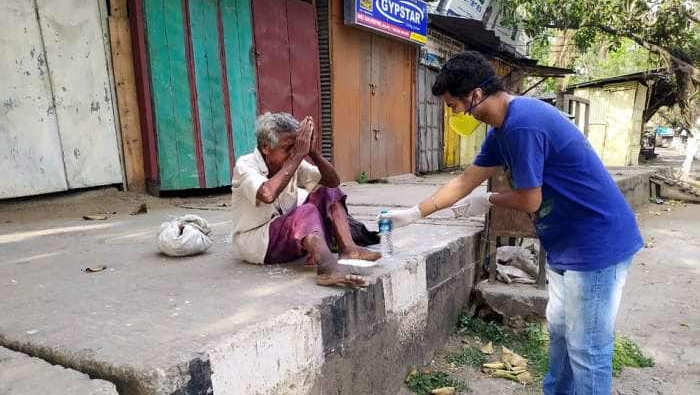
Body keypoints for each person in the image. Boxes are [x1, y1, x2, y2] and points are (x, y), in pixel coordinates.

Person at [383, 51, 643, 394]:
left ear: (475, 95)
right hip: (566, 241)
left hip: (596, 241)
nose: (453, 114)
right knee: (562, 334)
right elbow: (464, 182)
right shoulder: (500, 131)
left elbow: (529, 200)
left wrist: (487, 200)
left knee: (587, 347)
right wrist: (416, 213)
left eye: (453, 106)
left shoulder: (522, 124)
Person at [231, 112, 380, 288]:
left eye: (296, 148)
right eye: (287, 148)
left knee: (327, 190)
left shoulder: (293, 160)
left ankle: (349, 250)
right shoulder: (245, 165)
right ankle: (327, 268)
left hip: (288, 236)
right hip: (258, 244)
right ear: (265, 147)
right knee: (306, 211)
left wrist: (313, 152)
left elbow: (333, 181)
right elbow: (267, 194)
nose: (294, 153)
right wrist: (297, 156)